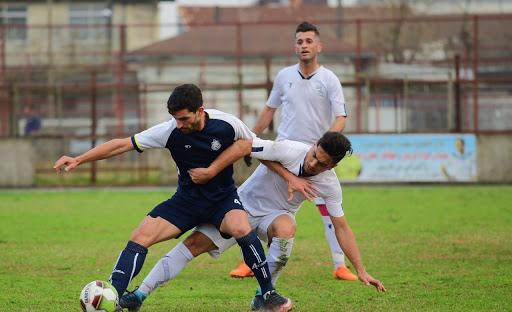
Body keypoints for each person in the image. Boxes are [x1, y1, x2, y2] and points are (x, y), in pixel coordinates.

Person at [53, 84, 291, 311]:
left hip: (223, 200)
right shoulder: (169, 131)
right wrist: (79, 159)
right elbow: (121, 145)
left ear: (200, 111)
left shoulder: (228, 124)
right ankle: (113, 296)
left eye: (184, 119)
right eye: (175, 118)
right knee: (140, 236)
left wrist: (290, 177)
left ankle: (267, 293)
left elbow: (259, 148)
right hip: (186, 201)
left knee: (241, 227)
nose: (179, 125)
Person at [119, 131, 386, 311]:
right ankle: (139, 295)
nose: (313, 163)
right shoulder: (290, 149)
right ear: (314, 145)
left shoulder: (329, 183)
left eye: (322, 163)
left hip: (275, 216)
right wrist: (289, 177)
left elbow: (342, 227)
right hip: (238, 207)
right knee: (193, 245)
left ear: (333, 166)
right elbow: (249, 147)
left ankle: (263, 296)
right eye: (314, 155)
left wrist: (360, 270)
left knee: (287, 228)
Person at [230, 20, 355, 281]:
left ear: (319, 46)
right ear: (295, 47)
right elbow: (269, 110)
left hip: (315, 159)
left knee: (329, 211)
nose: (304, 45)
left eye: (309, 41)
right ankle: (250, 261)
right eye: (300, 41)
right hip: (283, 154)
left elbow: (341, 117)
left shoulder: (329, 79)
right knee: (256, 204)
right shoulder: (284, 76)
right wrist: (253, 138)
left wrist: (325, 145)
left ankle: (339, 265)